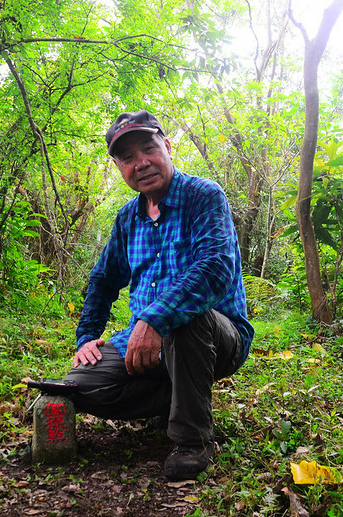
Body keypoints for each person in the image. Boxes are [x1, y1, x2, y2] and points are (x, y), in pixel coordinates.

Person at [66, 110, 254, 481]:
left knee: (185, 315)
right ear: (120, 168)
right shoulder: (127, 219)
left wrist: (155, 317)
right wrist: (87, 337)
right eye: (128, 158)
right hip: (150, 342)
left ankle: (192, 440)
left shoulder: (204, 196)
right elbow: (103, 280)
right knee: (79, 385)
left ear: (167, 147)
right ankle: (176, 398)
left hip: (216, 335)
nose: (141, 163)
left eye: (148, 149)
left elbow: (215, 268)